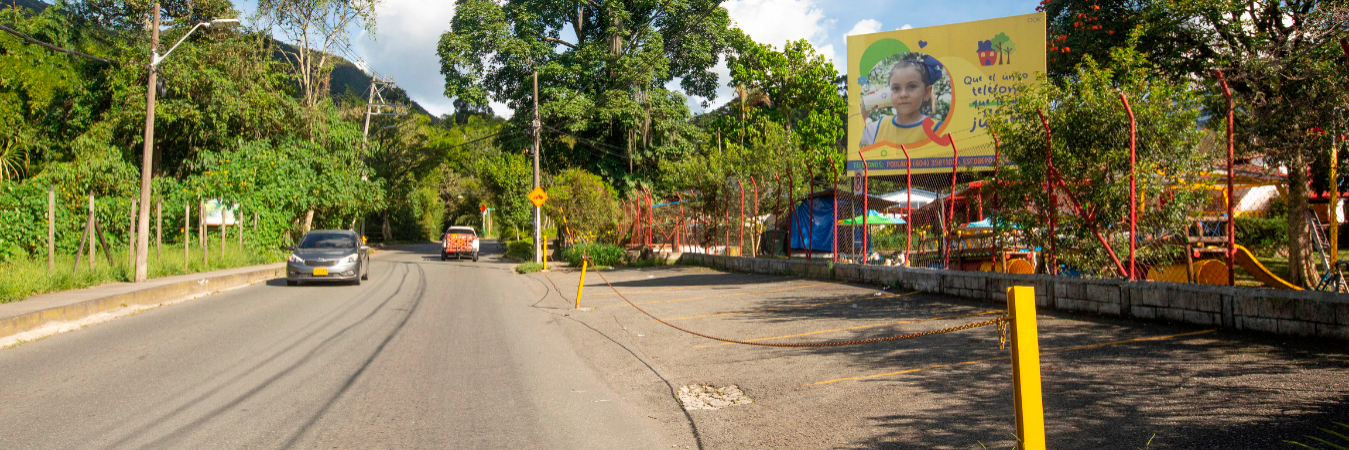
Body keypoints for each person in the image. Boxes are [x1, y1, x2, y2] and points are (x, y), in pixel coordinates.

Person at [860, 54, 943, 147]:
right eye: (896, 88)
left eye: (912, 86)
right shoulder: (879, 127)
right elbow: (854, 135)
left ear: (926, 92)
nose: (903, 94)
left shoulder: (938, 129)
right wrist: (865, 109)